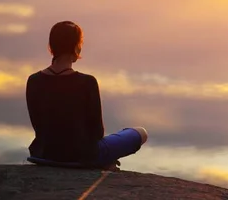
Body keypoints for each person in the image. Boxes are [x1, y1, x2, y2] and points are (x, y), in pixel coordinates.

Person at [26, 20, 147, 170]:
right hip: (83, 156)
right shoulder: (87, 82)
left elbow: (39, 126)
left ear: (51, 47)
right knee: (140, 133)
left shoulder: (33, 80)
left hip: (44, 154)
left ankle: (102, 161)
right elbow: (97, 133)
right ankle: (103, 162)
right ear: (77, 47)